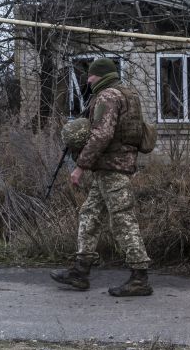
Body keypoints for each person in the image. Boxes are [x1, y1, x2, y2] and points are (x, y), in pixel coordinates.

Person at [50, 58, 153, 297]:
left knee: (123, 220)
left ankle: (140, 278)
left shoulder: (108, 96)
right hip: (110, 167)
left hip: (112, 167)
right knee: (90, 214)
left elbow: (101, 135)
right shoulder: (129, 94)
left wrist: (80, 167)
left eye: (91, 75)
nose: (88, 79)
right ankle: (80, 271)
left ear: (102, 75)